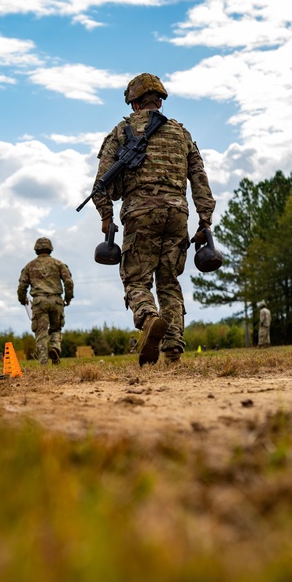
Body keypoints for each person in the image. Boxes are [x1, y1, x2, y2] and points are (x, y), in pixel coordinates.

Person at [91, 73, 216, 366]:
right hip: (177, 213)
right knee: (169, 281)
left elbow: (101, 184)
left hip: (140, 211)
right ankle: (172, 348)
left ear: (134, 104)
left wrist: (106, 218)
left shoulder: (121, 131)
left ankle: (148, 318)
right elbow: (199, 180)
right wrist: (204, 221)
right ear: (159, 101)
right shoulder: (181, 134)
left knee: (136, 277)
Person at [18, 237, 73, 365]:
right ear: (50, 249)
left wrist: (23, 299)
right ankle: (55, 348)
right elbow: (68, 282)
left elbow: (22, 286)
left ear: (36, 249)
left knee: (41, 333)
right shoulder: (59, 264)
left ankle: (44, 362)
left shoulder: (29, 266)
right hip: (56, 300)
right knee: (56, 329)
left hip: (39, 301)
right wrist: (68, 298)